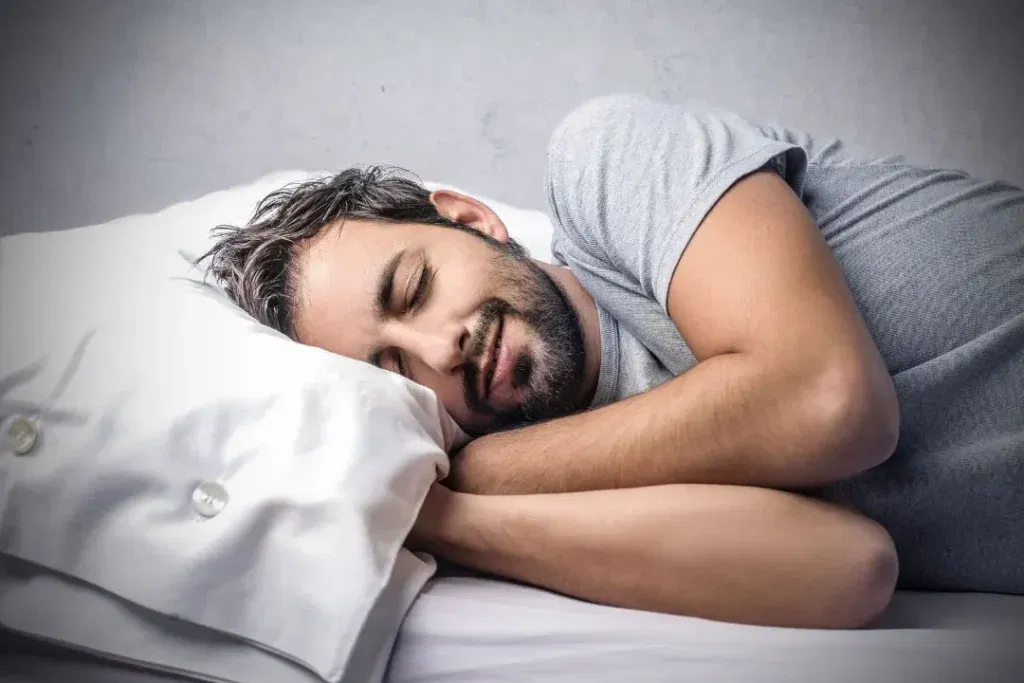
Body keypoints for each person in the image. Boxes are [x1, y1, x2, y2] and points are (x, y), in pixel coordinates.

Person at [201, 95, 1023, 629]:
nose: (435, 349)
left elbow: (830, 401)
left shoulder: (608, 161)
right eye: (393, 371)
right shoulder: (579, 477)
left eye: (415, 288)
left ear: (471, 219)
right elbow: (849, 570)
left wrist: (477, 474)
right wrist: (443, 518)